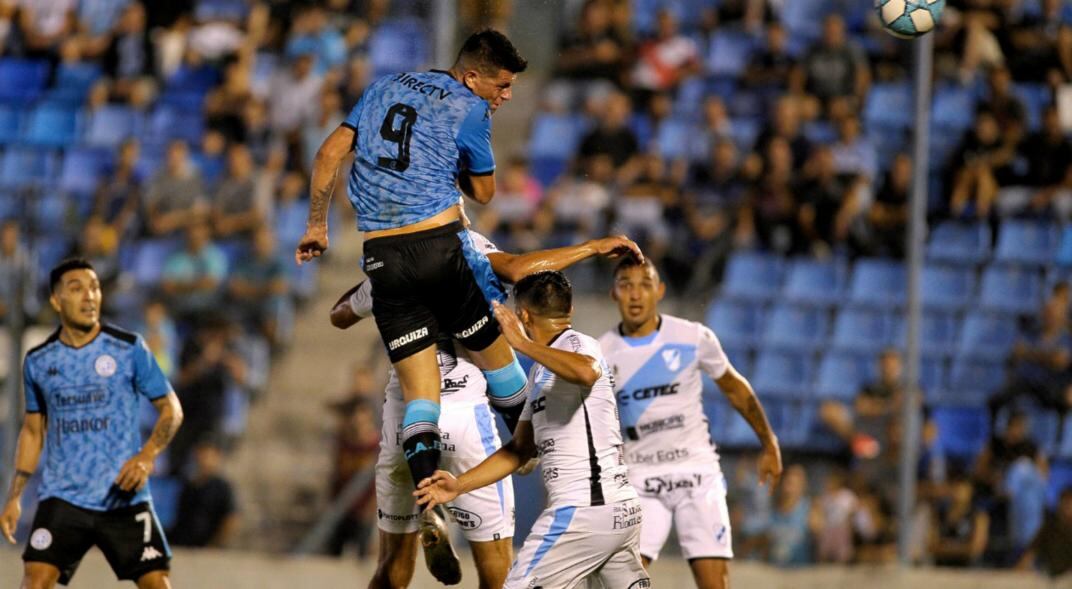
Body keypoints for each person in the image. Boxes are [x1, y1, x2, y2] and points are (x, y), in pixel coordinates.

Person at [294, 30, 531, 581]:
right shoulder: (470, 108)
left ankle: (428, 498)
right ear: (473, 76)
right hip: (438, 248)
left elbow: (330, 152)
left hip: (381, 259)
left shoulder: (381, 87)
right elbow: (486, 192)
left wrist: (315, 225)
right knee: (503, 366)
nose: (507, 95)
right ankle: (537, 443)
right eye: (502, 83)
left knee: (418, 394)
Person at [329, 225, 641, 587]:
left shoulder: (389, 264)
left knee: (391, 569)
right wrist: (592, 245)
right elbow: (517, 268)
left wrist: (376, 279)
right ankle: (515, 427)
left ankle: (431, 509)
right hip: (468, 421)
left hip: (406, 425)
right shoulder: (461, 242)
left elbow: (339, 315)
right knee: (498, 574)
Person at [414, 271, 650, 589]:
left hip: (581, 513)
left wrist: (522, 343)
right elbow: (520, 449)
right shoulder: (542, 372)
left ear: (523, 315)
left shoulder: (578, 344)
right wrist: (459, 485)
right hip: (612, 515)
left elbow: (586, 370)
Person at [599, 257, 782, 588]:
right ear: (614, 293)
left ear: (660, 291)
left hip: (696, 475)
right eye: (626, 285)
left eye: (645, 285)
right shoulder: (600, 353)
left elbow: (735, 388)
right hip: (639, 480)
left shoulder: (692, 337)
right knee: (620, 584)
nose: (636, 295)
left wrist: (769, 443)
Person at [0, 258, 184, 588]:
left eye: (95, 287)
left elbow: (172, 408)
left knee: (157, 583)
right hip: (64, 496)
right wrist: (15, 496)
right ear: (57, 300)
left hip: (122, 495)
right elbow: (32, 431)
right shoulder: (39, 362)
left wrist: (147, 456)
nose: (89, 296)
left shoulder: (129, 349)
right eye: (77, 288)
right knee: (35, 579)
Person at [167, 436, 238, 548]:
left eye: (208, 454)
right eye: (201, 453)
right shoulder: (188, 484)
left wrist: (215, 544)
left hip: (206, 548)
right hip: (183, 544)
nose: (203, 458)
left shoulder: (222, 487)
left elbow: (230, 519)